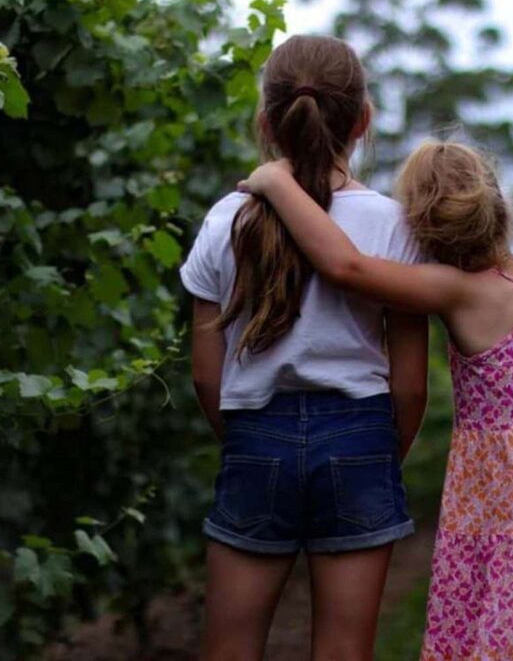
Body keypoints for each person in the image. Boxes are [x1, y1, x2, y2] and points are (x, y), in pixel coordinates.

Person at [237, 141, 513, 659]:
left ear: (422, 227)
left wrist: (276, 183)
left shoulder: (461, 293)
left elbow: (348, 268)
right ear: (498, 206)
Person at [180, 35, 429, 660]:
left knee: (229, 647)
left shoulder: (225, 220)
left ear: (267, 122)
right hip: (362, 436)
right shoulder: (395, 226)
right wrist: (377, 449)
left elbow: (206, 377)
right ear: (363, 122)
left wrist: (246, 438)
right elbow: (412, 383)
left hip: (254, 434)